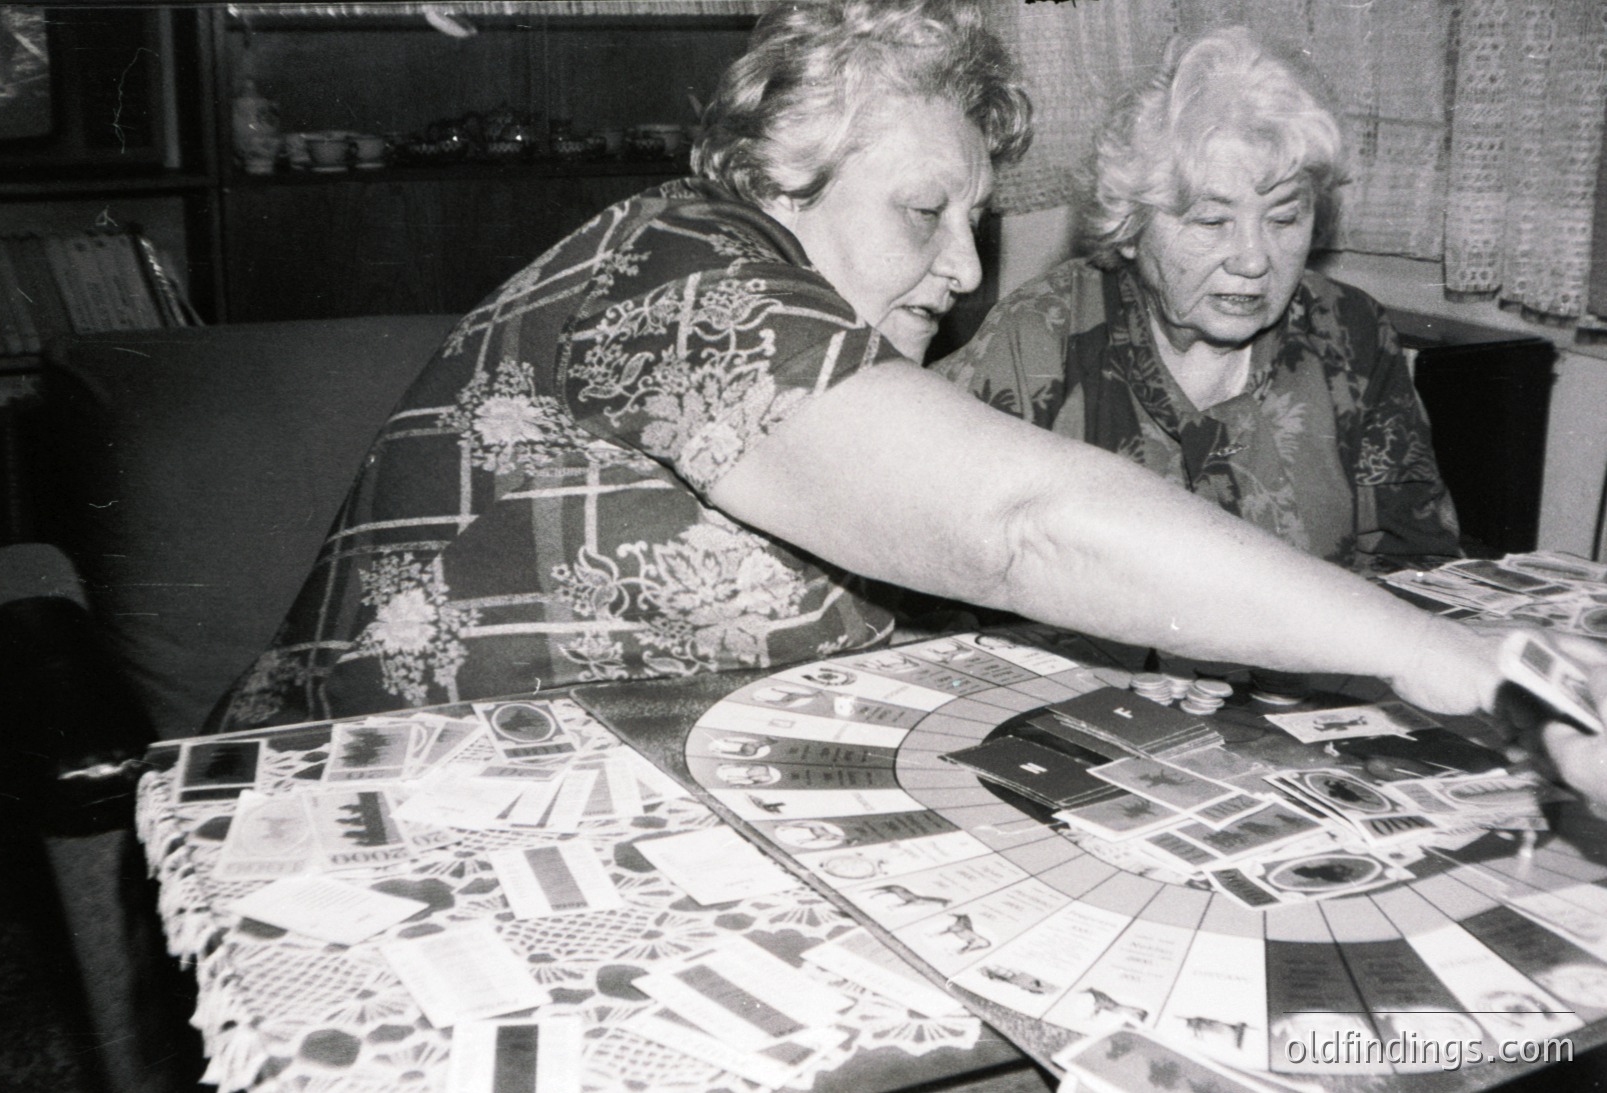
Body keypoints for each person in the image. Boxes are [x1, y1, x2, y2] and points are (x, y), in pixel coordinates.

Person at [214, 0, 1592, 798]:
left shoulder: (821, 342)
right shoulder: (674, 268)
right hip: (384, 806)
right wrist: (1458, 661)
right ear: (770, 185)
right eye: (922, 210)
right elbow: (1019, 522)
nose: (957, 264)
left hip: (625, 796)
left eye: (973, 218)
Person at [936, 27, 1460, 577]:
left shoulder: (1351, 335)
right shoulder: (1039, 340)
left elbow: (1417, 563)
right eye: (1212, 221)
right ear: (1131, 227)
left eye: (1284, 218)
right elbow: (939, 558)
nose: (1254, 260)